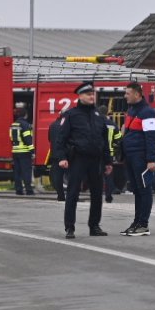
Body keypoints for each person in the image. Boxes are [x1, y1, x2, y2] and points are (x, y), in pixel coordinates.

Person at [53, 82, 111, 237]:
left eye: (93, 94)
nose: (92, 96)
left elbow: (104, 140)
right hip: (78, 158)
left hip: (96, 160)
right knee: (73, 193)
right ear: (80, 96)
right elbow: (61, 139)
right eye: (88, 94)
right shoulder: (72, 115)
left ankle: (94, 226)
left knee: (97, 194)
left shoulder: (98, 116)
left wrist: (108, 161)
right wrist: (61, 158)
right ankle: (70, 227)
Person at [118, 82, 155, 237]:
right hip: (130, 157)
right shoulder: (132, 110)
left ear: (137, 94)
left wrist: (151, 159)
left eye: (128, 93)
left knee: (144, 190)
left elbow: (151, 138)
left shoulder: (148, 113)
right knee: (137, 190)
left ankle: (143, 224)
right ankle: (136, 222)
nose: (125, 96)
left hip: (141, 158)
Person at [9, 106, 35, 196]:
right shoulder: (25, 125)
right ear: (25, 115)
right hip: (24, 152)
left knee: (17, 172)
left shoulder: (13, 124)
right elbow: (28, 139)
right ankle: (29, 190)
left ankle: (18, 190)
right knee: (26, 172)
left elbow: (11, 138)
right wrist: (32, 151)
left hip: (15, 151)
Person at [46, 109, 69, 200]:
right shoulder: (69, 126)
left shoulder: (52, 125)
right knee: (71, 176)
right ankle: (72, 195)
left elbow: (49, 139)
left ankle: (60, 195)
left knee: (58, 176)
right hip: (67, 155)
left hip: (55, 154)